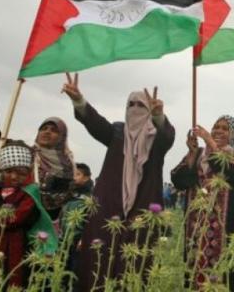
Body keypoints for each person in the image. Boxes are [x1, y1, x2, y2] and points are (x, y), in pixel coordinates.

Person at [61, 73, 175, 290]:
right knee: (100, 258)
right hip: (109, 205)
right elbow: (96, 123)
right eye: (130, 104)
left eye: (141, 105)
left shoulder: (157, 137)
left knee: (136, 261)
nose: (135, 109)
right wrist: (78, 100)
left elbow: (168, 136)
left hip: (143, 208)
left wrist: (159, 116)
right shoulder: (116, 133)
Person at [171, 115, 234, 290]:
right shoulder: (199, 155)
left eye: (224, 128)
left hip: (225, 230)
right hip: (195, 230)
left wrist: (210, 142)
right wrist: (192, 154)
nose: (218, 131)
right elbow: (179, 180)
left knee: (227, 277)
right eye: (216, 127)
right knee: (195, 273)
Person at [0, 78, 75, 219]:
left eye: (54, 130)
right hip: (10, 215)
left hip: (45, 224)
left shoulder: (68, 167)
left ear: (62, 137)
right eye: (44, 128)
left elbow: (62, 202)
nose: (47, 132)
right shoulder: (24, 153)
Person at [0, 140, 57, 290]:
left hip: (14, 256)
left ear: (28, 172)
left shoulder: (30, 194)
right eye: (9, 171)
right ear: (1, 170)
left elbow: (12, 219)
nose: (14, 177)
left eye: (21, 173)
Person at [59, 162, 94, 273]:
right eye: (73, 174)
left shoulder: (90, 198)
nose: (74, 177)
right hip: (63, 240)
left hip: (77, 243)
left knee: (73, 272)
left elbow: (91, 221)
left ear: (86, 177)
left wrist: (83, 239)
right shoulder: (70, 194)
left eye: (78, 174)